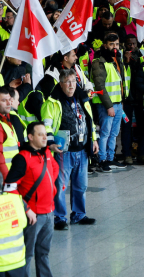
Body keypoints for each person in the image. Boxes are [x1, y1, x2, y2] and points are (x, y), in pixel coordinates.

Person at [43, 69, 98, 230]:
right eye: (67, 82)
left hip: (82, 149)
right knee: (60, 186)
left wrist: (93, 139)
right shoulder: (52, 102)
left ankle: (79, 214)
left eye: (73, 81)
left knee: (81, 185)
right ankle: (59, 217)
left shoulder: (83, 99)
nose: (71, 85)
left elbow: (89, 121)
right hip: (63, 151)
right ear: (60, 84)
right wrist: (51, 142)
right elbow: (46, 125)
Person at [5, 122, 58, 277]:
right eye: (40, 134)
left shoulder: (46, 152)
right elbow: (9, 188)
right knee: (26, 255)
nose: (45, 137)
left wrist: (52, 189)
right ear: (30, 137)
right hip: (32, 216)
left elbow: (53, 169)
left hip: (49, 212)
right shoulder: (22, 158)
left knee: (44, 253)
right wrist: (26, 209)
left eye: (45, 134)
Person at [90, 33, 126, 172]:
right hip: (107, 105)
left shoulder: (116, 60)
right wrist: (109, 106)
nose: (114, 47)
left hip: (117, 103)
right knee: (105, 133)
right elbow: (100, 86)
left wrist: (121, 102)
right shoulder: (99, 62)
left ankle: (111, 158)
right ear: (105, 45)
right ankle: (102, 159)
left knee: (114, 133)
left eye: (116, 44)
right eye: (111, 44)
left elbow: (120, 83)